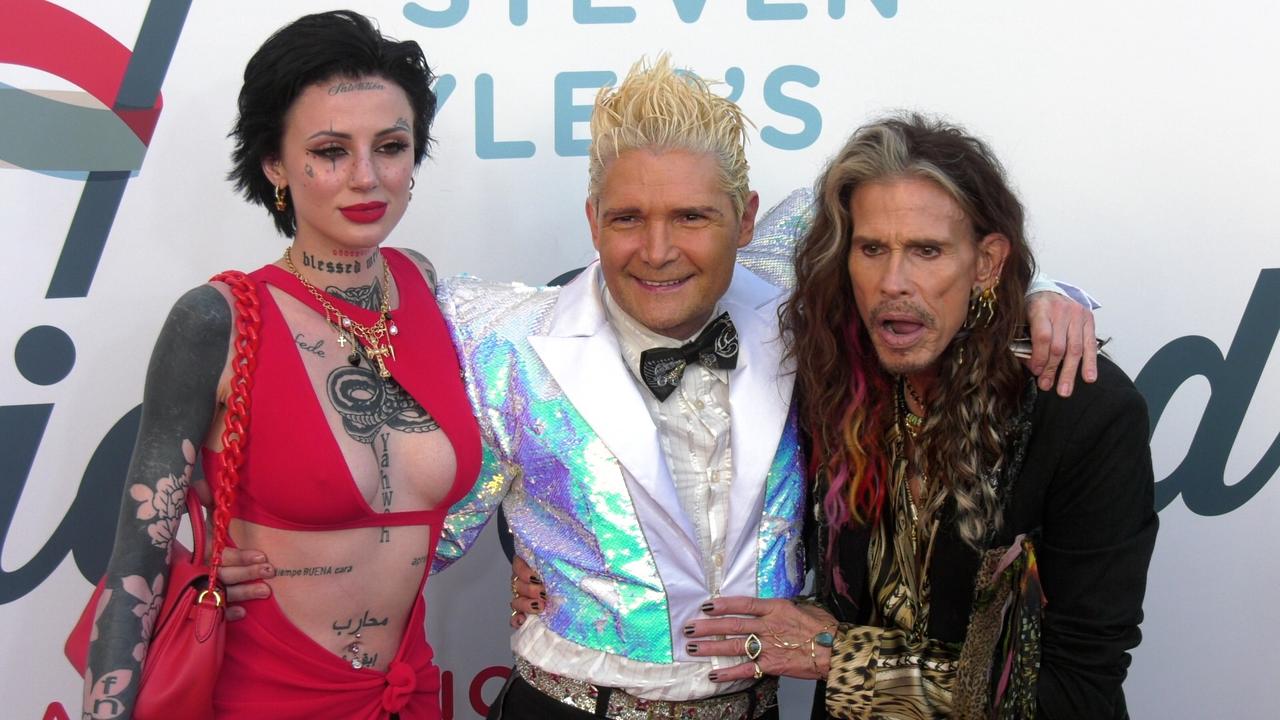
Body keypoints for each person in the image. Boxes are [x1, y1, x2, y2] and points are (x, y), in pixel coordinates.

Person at [442, 60, 1097, 719]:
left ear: (748, 218)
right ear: (592, 221)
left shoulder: (796, 294)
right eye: (627, 219)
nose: (659, 249)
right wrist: (534, 539)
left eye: (693, 216)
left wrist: (1044, 293)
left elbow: (929, 239)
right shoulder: (498, 339)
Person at [683, 115, 1158, 718]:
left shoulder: (1083, 413)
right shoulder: (835, 381)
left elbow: (1077, 691)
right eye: (871, 248)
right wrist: (550, 573)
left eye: (927, 251)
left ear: (987, 262)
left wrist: (841, 657)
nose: (892, 282)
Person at [83, 11, 480, 720]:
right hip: (263, 698)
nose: (367, 177)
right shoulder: (219, 319)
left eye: (391, 145)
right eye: (331, 150)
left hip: (408, 692)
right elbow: (134, 564)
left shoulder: (421, 285)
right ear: (275, 164)